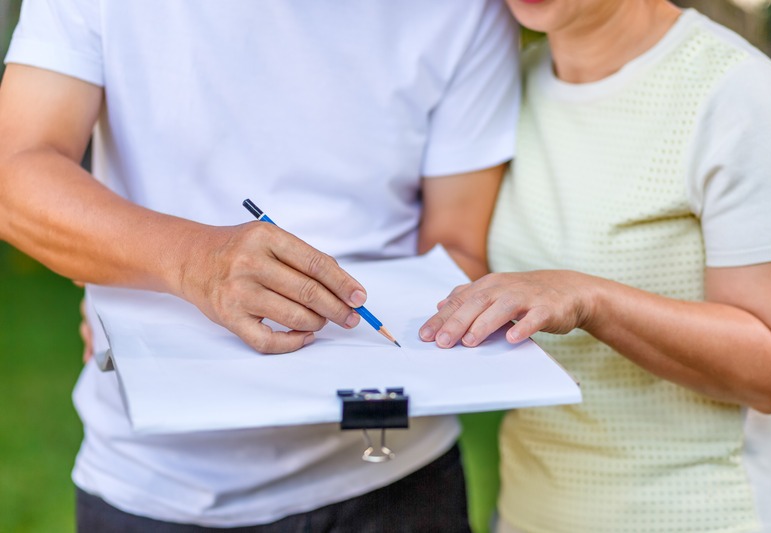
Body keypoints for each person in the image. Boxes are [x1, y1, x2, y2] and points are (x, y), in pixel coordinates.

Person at [0, 1, 520, 531]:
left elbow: (455, 246)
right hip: (157, 481)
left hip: (394, 474)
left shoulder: (467, 10)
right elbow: (13, 174)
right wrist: (190, 263)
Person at [419, 0, 771, 531]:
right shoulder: (506, 89)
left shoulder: (736, 92)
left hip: (703, 513)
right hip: (531, 511)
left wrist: (590, 299)